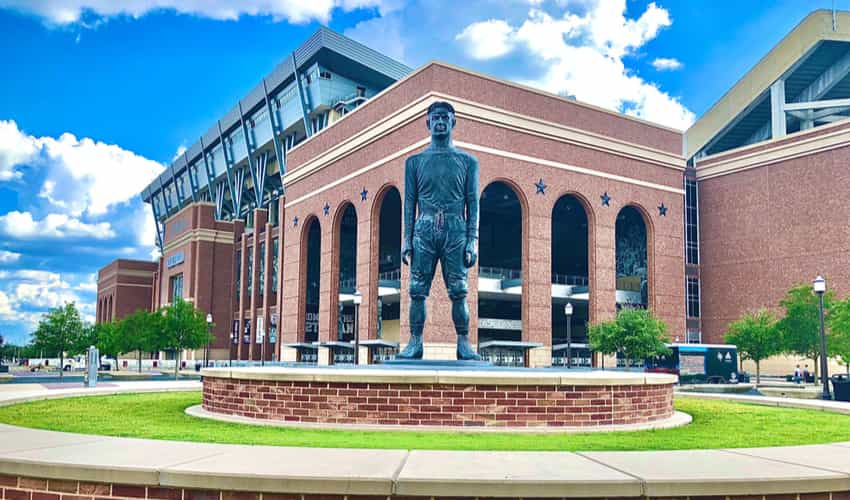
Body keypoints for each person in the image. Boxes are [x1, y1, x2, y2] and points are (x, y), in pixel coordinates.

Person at [397, 101, 480, 361]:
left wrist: (472, 239)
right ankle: (415, 342)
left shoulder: (468, 161)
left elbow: (473, 202)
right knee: (417, 289)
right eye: (435, 117)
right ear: (428, 123)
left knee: (459, 290)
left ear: (453, 122)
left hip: (456, 230)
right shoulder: (414, 162)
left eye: (445, 117)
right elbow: (409, 203)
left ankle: (464, 343)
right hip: (424, 229)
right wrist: (406, 239)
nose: (440, 121)